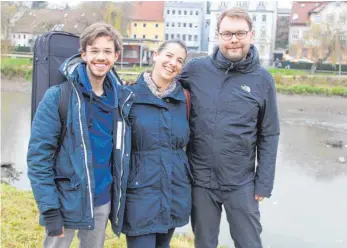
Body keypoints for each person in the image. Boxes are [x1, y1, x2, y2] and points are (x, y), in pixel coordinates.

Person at [178, 7, 280, 248]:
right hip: (201, 180)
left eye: (240, 33)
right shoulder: (196, 70)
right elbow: (163, 86)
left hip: (242, 183)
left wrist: (264, 182)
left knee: (249, 243)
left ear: (251, 35)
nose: (233, 39)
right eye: (227, 33)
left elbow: (270, 133)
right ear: (218, 36)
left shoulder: (263, 79)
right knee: (204, 243)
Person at [27, 22, 134, 248]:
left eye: (107, 51)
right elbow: (38, 157)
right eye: (94, 51)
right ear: (84, 54)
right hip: (65, 201)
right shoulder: (58, 97)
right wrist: (50, 209)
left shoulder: (121, 100)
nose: (100, 57)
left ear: (116, 56)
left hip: (102, 200)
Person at [122, 40, 191, 248]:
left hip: (173, 193)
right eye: (168, 56)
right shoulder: (128, 96)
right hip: (139, 196)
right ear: (155, 55)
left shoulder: (185, 100)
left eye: (179, 60)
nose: (173, 63)